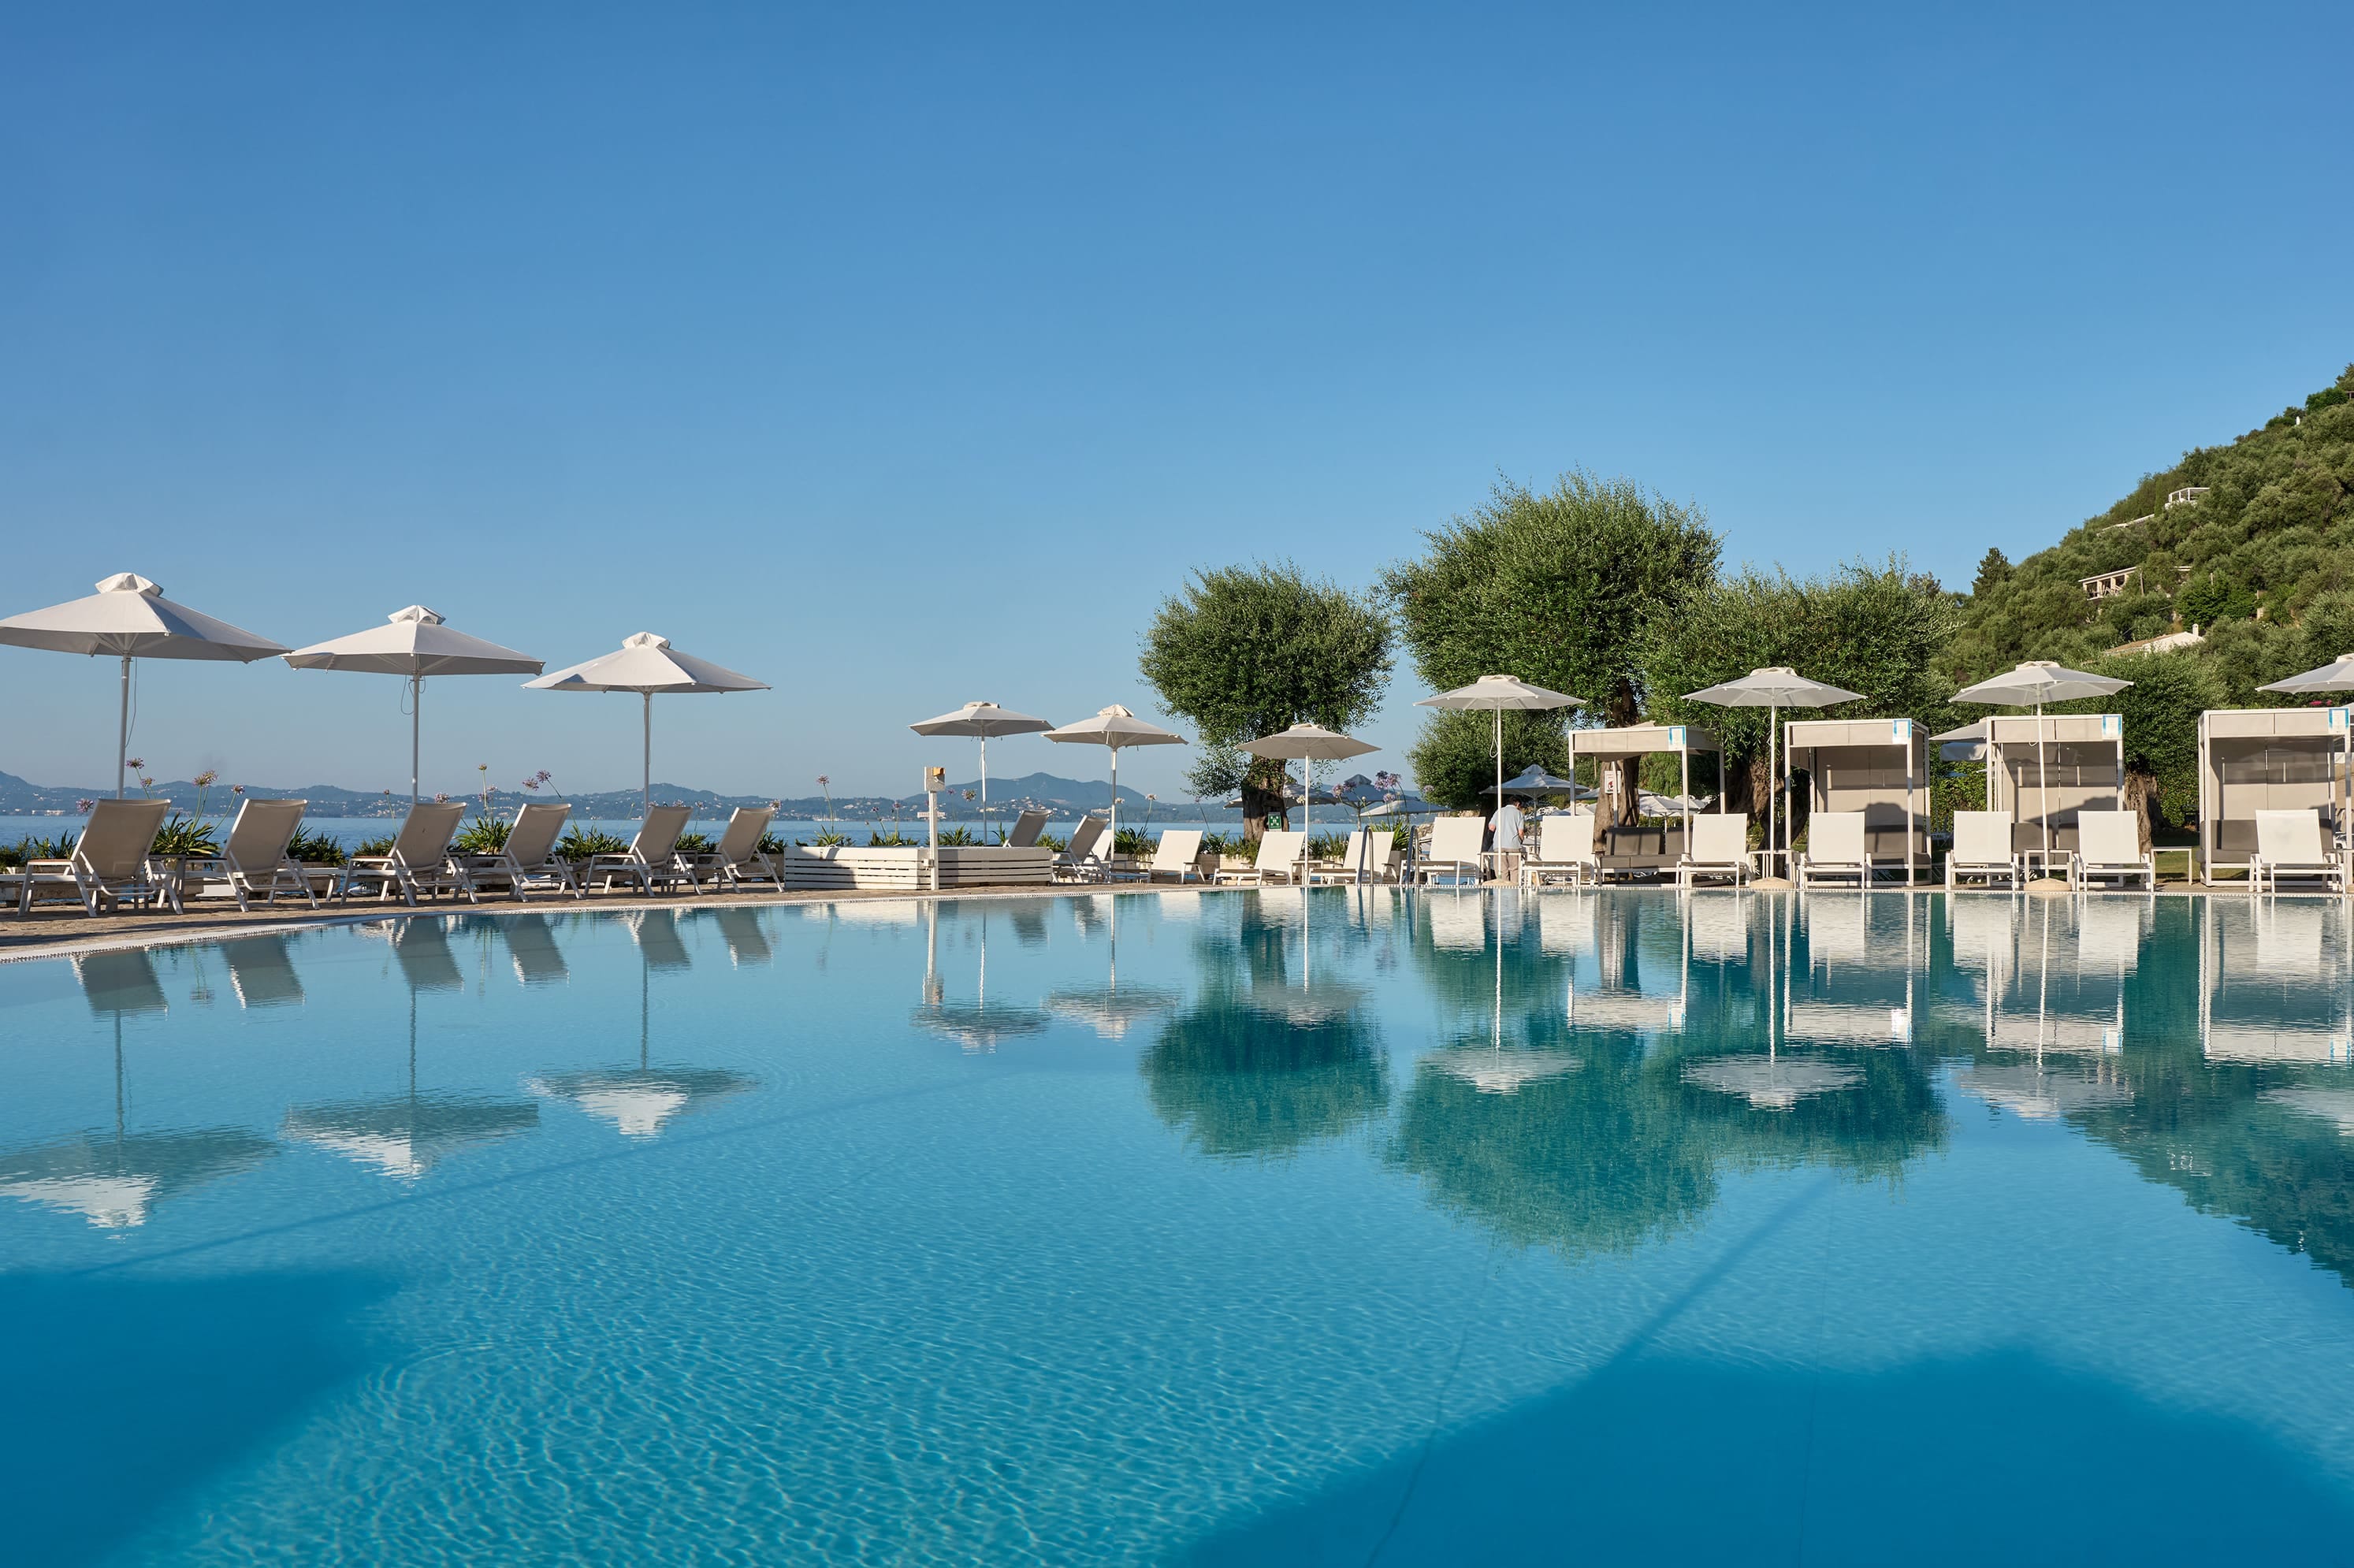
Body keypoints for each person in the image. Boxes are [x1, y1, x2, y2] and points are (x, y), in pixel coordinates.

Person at [1489, 796, 1527, 882]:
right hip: (1513, 845)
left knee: (1501, 870)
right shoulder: (1519, 814)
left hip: (1499, 844)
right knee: (1515, 869)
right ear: (1517, 804)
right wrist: (1520, 841)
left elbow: (1491, 827)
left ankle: (1502, 891)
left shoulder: (1499, 811)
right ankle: (1514, 890)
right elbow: (1521, 832)